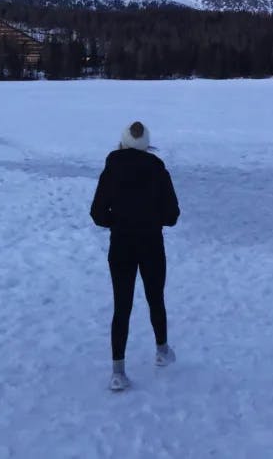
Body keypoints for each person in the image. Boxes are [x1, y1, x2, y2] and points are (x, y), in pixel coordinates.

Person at [90, 120, 180, 391]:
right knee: (156, 298)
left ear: (123, 141)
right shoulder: (158, 170)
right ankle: (162, 351)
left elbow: (97, 213)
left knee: (122, 306)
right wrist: (153, 220)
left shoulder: (111, 170)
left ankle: (118, 372)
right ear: (145, 144)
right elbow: (172, 215)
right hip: (151, 244)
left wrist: (116, 221)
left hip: (121, 245)